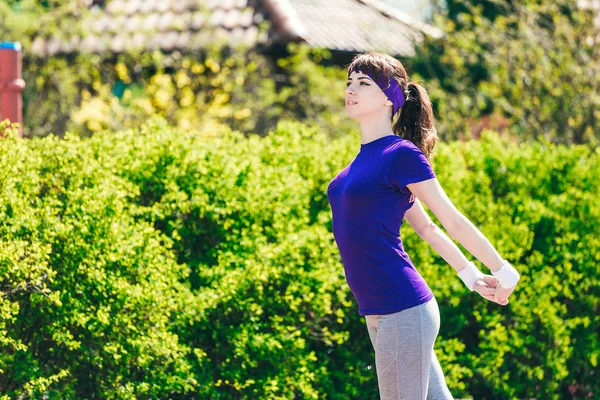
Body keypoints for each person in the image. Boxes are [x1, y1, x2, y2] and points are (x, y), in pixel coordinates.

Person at [326, 52, 520, 400]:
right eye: (349, 82)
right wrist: (470, 276)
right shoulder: (362, 162)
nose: (351, 89)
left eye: (364, 83)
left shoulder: (400, 155)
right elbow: (426, 228)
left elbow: (451, 220)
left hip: (401, 310)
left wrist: (502, 272)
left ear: (389, 98)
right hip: (385, 313)